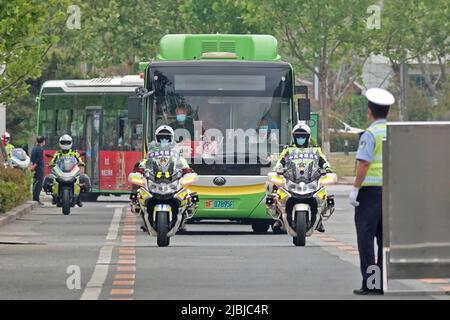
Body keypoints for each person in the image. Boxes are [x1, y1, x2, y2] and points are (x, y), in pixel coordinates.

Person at [349, 88, 394, 296]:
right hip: (391, 193)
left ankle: (371, 283)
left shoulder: (370, 134)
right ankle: (381, 283)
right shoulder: (394, 132)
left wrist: (355, 189)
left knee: (366, 239)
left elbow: (364, 164)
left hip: (370, 194)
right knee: (384, 240)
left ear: (370, 111)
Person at [272, 123, 333, 232]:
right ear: (294, 137)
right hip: (292, 179)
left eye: (303, 136)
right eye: (298, 136)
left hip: (310, 179)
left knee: (322, 192)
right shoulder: (288, 150)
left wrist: (327, 168)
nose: (300, 139)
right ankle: (280, 217)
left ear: (308, 137)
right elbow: (280, 161)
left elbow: (323, 161)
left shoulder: (315, 150)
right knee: (278, 193)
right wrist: (279, 167)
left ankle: (319, 220)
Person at [130, 125, 192, 231]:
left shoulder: (177, 148)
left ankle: (182, 220)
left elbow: (182, 160)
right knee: (140, 189)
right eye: (161, 137)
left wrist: (187, 169)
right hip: (155, 176)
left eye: (167, 137)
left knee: (187, 194)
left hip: (172, 176)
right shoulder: (152, 147)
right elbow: (146, 159)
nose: (164, 140)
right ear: (156, 137)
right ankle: (139, 209)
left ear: (171, 137)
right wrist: (141, 167)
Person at [44, 134, 86, 207]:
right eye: (63, 142)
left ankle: (79, 198)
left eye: (67, 142)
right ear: (60, 143)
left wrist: (81, 163)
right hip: (61, 171)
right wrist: (51, 163)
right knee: (48, 179)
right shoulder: (58, 153)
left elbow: (79, 160)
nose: (65, 144)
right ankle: (54, 196)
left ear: (71, 143)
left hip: (71, 171)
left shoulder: (74, 153)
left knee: (83, 179)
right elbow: (53, 160)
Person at [30, 136, 46, 206]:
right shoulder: (40, 149)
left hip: (34, 168)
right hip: (38, 168)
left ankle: (35, 197)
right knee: (38, 184)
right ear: (42, 141)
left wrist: (31, 166)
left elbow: (32, 158)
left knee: (35, 183)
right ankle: (36, 199)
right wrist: (34, 166)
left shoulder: (34, 148)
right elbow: (38, 160)